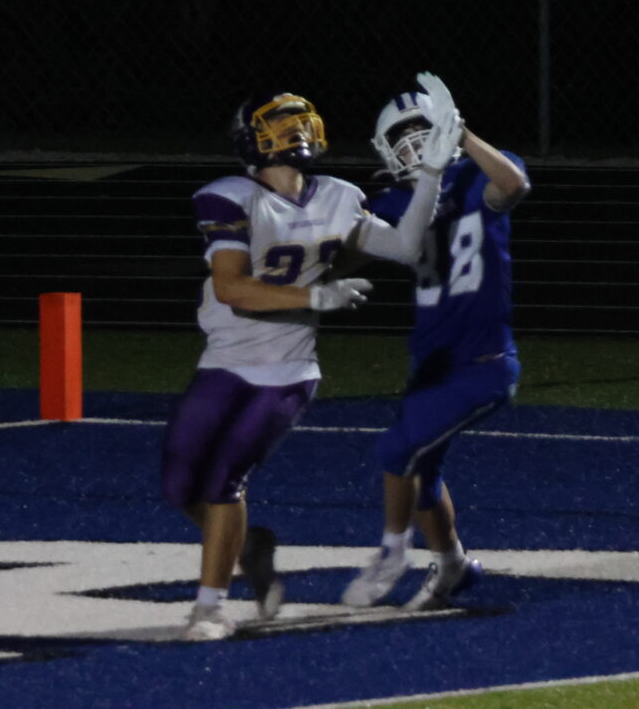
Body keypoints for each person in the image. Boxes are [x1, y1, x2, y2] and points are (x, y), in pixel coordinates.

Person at [161, 89, 446, 641]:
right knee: (179, 486)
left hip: (287, 372)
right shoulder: (228, 198)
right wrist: (315, 296)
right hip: (223, 359)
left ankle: (210, 608)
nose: (296, 131)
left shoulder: (339, 195)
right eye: (281, 123)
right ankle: (248, 545)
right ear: (251, 139)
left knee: (223, 481)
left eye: (300, 121)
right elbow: (232, 288)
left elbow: (407, 246)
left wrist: (430, 175)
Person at [340, 72, 529, 611]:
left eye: (425, 131)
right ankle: (452, 567)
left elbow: (513, 186)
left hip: (484, 362)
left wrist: (462, 134)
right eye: (403, 139)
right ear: (385, 151)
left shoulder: (476, 175)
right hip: (432, 365)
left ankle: (391, 553)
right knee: (423, 472)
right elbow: (349, 250)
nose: (417, 145)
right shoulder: (396, 202)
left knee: (397, 448)